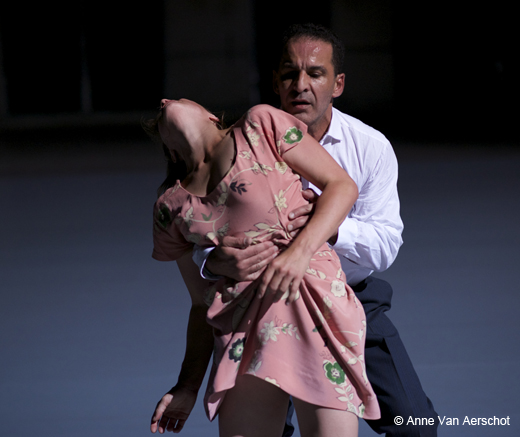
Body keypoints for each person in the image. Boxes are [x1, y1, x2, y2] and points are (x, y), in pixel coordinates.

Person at [196, 24, 438, 437]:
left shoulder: (370, 146)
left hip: (350, 298)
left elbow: (385, 245)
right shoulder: (241, 144)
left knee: (415, 426)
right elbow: (203, 229)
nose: (300, 85)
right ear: (275, 81)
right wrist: (213, 260)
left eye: (315, 73)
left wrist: (323, 229)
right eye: (290, 74)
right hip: (265, 302)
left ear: (338, 83)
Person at [146, 98, 381, 437]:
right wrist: (187, 385)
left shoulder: (260, 124)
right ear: (170, 151)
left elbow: (341, 186)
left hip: (313, 305)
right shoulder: (169, 207)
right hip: (244, 331)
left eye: (179, 99)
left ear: (213, 117)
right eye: (162, 108)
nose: (165, 101)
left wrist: (298, 254)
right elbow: (200, 304)